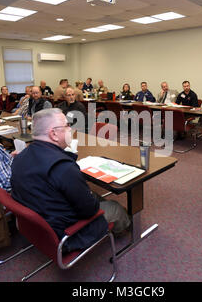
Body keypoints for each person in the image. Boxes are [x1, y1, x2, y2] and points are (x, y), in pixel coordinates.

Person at [11, 108, 130, 253]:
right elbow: (89, 211)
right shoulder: (63, 168)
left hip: (42, 219)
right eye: (67, 125)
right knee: (115, 207)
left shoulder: (20, 156)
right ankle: (125, 230)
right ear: (53, 134)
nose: (71, 129)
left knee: (92, 195)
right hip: (66, 232)